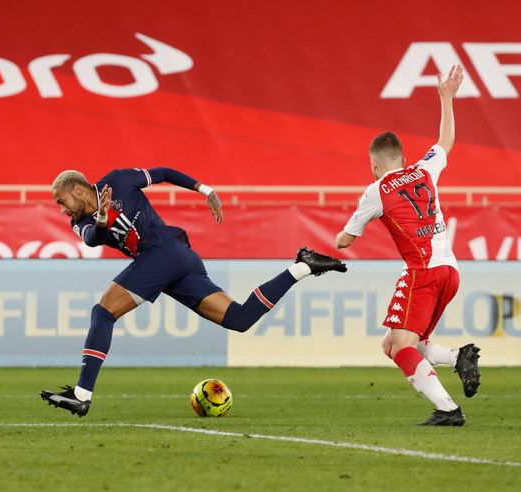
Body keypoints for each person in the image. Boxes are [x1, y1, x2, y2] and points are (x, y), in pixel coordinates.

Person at [41, 167, 347, 416]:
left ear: (78, 190)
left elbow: (161, 173)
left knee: (103, 313)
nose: (61, 209)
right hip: (175, 260)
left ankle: (82, 395)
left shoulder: (119, 180)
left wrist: (205, 190)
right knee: (239, 318)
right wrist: (104, 219)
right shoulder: (81, 222)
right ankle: (303, 266)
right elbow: (93, 238)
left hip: (163, 252)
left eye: (61, 201)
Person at [335, 65, 480, 426]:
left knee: (401, 348)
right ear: (402, 157)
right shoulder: (425, 168)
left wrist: (342, 234)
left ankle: (449, 410)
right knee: (394, 344)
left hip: (422, 272)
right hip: (451, 270)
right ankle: (459, 356)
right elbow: (445, 142)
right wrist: (446, 99)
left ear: (374, 165)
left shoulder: (376, 190)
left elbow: (345, 240)